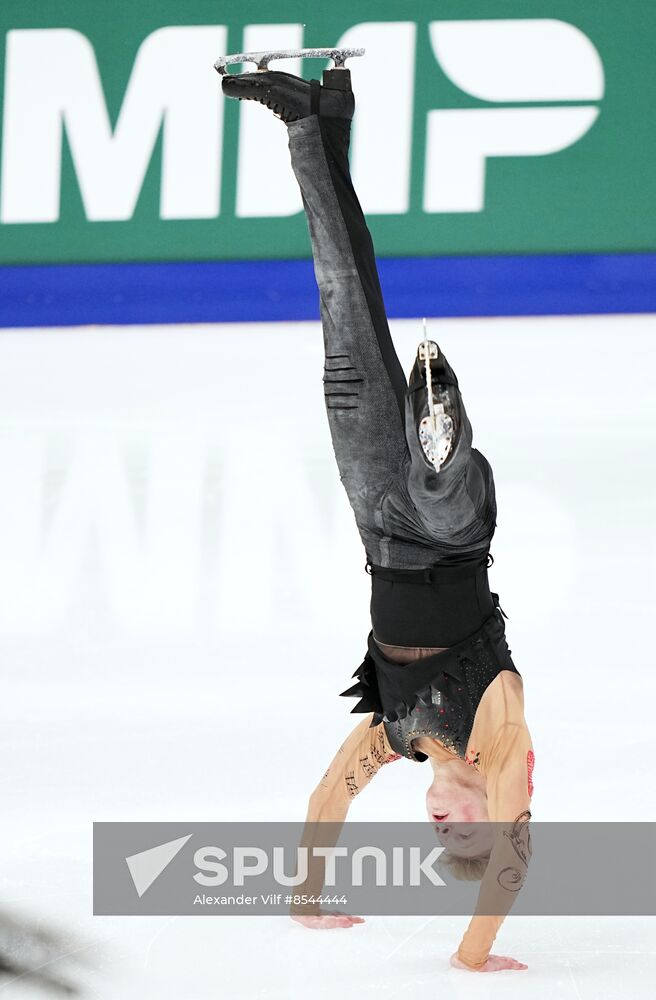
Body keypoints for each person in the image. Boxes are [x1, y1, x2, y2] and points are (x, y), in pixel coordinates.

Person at [220, 59, 535, 973]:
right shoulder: (500, 737)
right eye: (465, 831)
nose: (448, 824)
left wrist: (308, 897)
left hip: (376, 530)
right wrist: (473, 956)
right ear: (493, 805)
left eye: (441, 835)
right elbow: (512, 866)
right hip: (451, 533)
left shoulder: (395, 733)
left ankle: (312, 120)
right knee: (442, 486)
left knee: (342, 311)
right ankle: (443, 432)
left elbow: (329, 796)